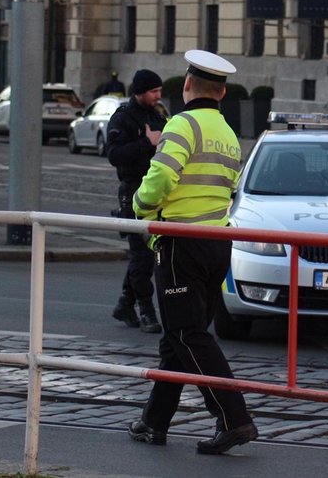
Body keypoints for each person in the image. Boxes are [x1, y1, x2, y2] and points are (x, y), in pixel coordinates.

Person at [127, 50, 256, 455]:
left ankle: (233, 418)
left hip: (181, 242)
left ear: (186, 86)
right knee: (176, 338)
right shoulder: (228, 132)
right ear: (221, 92)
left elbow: (162, 175)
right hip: (217, 242)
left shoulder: (182, 123)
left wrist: (140, 207)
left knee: (187, 334)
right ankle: (154, 421)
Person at [107, 69, 168, 334]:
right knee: (142, 255)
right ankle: (146, 310)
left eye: (159, 91)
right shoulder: (123, 117)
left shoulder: (157, 115)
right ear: (140, 92)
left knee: (145, 254)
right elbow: (114, 155)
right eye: (153, 92)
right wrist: (146, 143)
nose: (157, 96)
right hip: (133, 190)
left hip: (156, 191)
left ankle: (124, 303)